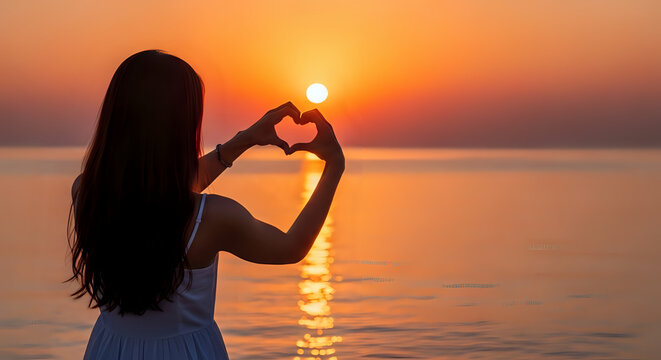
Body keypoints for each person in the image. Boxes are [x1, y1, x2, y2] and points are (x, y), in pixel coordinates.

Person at [67, 49, 344, 359]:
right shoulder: (212, 218)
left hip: (110, 349)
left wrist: (246, 139)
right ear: (179, 128)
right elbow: (292, 247)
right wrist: (334, 165)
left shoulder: (86, 195)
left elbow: (160, 189)